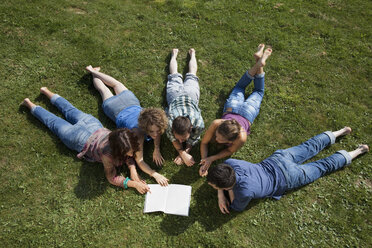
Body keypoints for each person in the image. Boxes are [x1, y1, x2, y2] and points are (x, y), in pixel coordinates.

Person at [206, 127, 369, 213]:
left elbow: (235, 206)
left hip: (288, 178)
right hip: (278, 160)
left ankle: (358, 151)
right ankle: (341, 131)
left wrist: (221, 194)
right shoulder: (231, 162)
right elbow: (227, 184)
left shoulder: (244, 192)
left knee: (322, 167)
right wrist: (221, 189)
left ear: (228, 186)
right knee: (309, 146)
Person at [22, 87, 150, 194]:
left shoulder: (122, 138)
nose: (132, 154)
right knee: (53, 122)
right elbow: (111, 177)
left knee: (69, 109)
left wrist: (132, 169)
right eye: (129, 152)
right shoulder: (107, 155)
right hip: (77, 138)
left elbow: (127, 153)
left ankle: (45, 92)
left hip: (92, 125)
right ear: (118, 150)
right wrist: (133, 184)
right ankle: (30, 105)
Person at [85, 66, 169, 186]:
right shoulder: (138, 134)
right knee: (103, 90)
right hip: (115, 108)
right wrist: (154, 174)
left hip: (130, 101)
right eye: (151, 132)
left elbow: (158, 132)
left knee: (115, 84)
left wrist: (157, 148)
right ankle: (93, 72)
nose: (156, 134)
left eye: (157, 131)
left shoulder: (155, 122)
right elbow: (139, 160)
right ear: (145, 127)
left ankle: (95, 72)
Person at [200, 44, 272, 177]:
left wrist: (210, 158)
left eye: (220, 139)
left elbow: (227, 151)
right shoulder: (218, 124)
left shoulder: (241, 136)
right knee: (249, 88)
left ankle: (259, 63)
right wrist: (205, 159)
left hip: (241, 110)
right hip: (236, 109)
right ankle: (259, 63)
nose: (216, 138)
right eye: (217, 136)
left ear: (233, 139)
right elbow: (205, 143)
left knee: (250, 89)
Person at [165, 48, 204, 167]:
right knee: (189, 75)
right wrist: (183, 153)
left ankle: (191, 54)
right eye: (180, 139)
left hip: (184, 95)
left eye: (183, 139)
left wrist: (184, 152)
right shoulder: (169, 122)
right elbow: (173, 138)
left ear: (191, 127)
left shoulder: (198, 123)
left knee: (175, 75)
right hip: (179, 96)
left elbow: (192, 139)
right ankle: (175, 55)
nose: (181, 142)